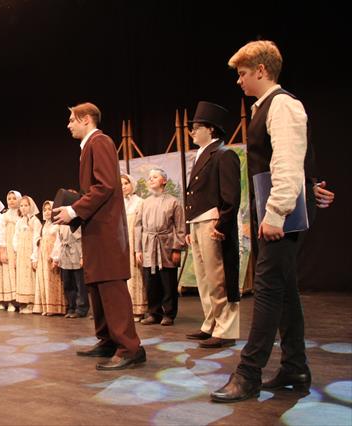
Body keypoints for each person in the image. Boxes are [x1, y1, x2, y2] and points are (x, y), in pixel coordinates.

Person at [211, 40, 314, 403]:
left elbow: (288, 161)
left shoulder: (282, 104)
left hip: (280, 215)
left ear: (261, 70)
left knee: (268, 289)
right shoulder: (264, 108)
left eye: (242, 73)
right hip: (276, 211)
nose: (238, 80)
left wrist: (276, 212)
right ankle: (295, 367)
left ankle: (248, 373)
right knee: (284, 290)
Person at [54, 102, 145, 371]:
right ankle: (108, 340)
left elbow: (105, 186)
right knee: (97, 285)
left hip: (106, 230)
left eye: (72, 120)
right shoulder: (88, 147)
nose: (69, 125)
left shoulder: (100, 142)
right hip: (96, 228)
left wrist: (73, 210)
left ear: (86, 119)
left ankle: (130, 348)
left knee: (111, 286)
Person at [184, 101, 241, 348]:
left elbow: (231, 196)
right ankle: (211, 323)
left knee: (218, 278)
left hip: (212, 222)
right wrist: (189, 226)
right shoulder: (202, 154)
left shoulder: (224, 154)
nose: (192, 132)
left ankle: (225, 330)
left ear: (211, 129)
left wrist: (221, 225)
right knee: (204, 279)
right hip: (198, 221)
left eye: (196, 127)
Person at [135, 168, 186, 326]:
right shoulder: (145, 203)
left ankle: (169, 314)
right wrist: (138, 249)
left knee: (167, 281)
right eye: (149, 177)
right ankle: (154, 313)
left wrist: (177, 249)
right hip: (149, 245)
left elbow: (180, 227)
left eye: (155, 177)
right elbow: (138, 226)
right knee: (151, 282)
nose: (151, 179)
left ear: (164, 181)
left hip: (166, 245)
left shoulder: (174, 202)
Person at [121, 173, 147, 321]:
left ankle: (138, 309)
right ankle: (126, 309)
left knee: (136, 274)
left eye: (126, 183)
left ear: (132, 184)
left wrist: (139, 248)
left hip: (135, 242)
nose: (123, 187)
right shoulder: (119, 204)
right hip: (122, 243)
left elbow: (141, 226)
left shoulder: (140, 202)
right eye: (121, 184)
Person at [32, 200, 65, 316]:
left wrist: (55, 257)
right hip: (43, 256)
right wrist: (35, 258)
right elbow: (38, 243)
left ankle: (54, 307)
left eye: (49, 209)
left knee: (53, 280)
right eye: (45, 210)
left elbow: (58, 242)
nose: (47, 212)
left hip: (51, 256)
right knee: (44, 280)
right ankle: (46, 306)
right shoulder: (44, 226)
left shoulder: (57, 225)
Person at [52, 223, 88, 318]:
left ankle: (81, 309)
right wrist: (56, 258)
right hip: (65, 254)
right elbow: (58, 241)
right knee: (68, 284)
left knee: (79, 284)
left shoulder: (77, 223)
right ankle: (71, 307)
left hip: (76, 252)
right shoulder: (61, 225)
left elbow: (83, 240)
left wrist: (82, 257)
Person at [12, 195, 42, 314]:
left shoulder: (35, 221)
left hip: (30, 252)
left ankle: (31, 302)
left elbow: (36, 239)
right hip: (21, 253)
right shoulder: (20, 221)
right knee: (22, 277)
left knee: (30, 276)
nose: (23, 208)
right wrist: (16, 252)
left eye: (26, 205)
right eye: (21, 206)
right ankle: (23, 301)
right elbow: (15, 238)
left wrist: (35, 257)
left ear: (31, 206)